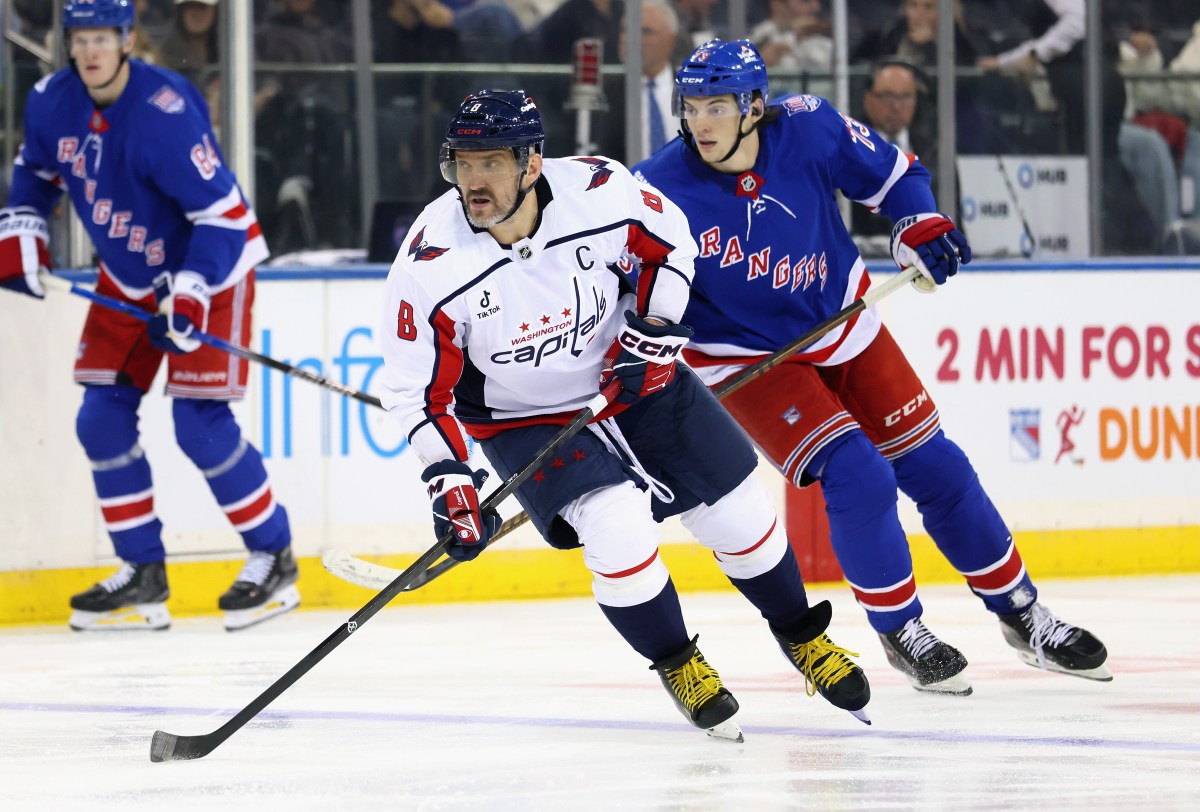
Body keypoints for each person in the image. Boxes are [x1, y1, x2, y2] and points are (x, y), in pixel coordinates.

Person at [377, 89, 871, 739]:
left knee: (738, 511)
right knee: (618, 527)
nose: (473, 181)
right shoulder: (429, 263)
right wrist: (450, 480)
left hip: (633, 376)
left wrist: (655, 333)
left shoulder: (600, 191)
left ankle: (802, 635)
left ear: (532, 164)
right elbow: (417, 394)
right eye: (462, 164)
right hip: (524, 417)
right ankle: (679, 663)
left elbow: (673, 246)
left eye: (490, 163)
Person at [633, 39, 1110, 696]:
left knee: (938, 468)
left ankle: (1023, 613)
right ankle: (902, 630)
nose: (700, 122)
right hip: (748, 359)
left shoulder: (809, 125)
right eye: (690, 107)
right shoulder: (655, 189)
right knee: (858, 473)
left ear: (754, 106)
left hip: (843, 324)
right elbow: (626, 286)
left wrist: (917, 223)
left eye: (717, 106)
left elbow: (896, 176)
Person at [0, 0, 298, 632]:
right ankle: (143, 573)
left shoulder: (165, 111)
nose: (90, 51)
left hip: (210, 269)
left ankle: (274, 555)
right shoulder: (51, 100)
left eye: (102, 37)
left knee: (198, 424)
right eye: (80, 38)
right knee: (101, 420)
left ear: (128, 39)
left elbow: (221, 217)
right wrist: (22, 229)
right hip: (128, 275)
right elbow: (36, 172)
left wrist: (189, 294)